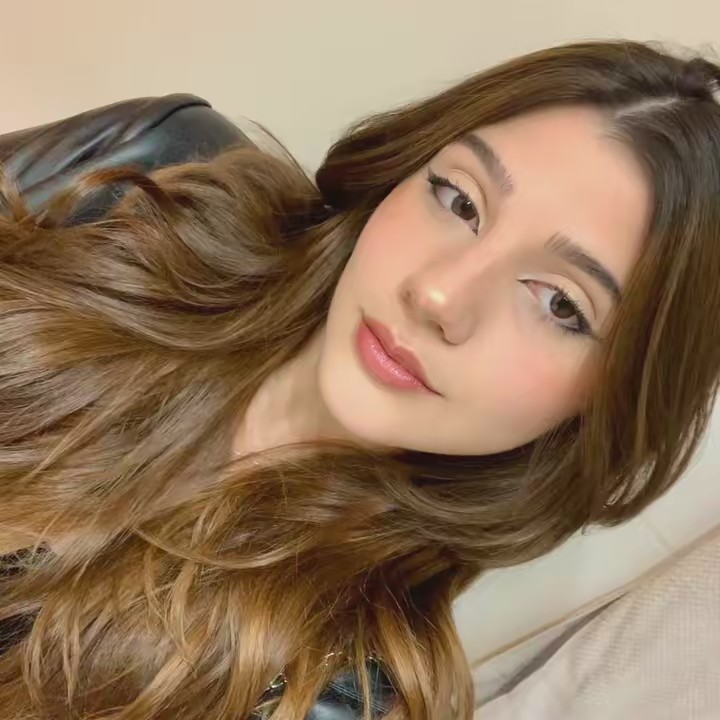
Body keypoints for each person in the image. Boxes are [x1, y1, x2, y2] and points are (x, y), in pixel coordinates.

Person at [0, 39, 719, 720]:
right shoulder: (158, 175)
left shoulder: (329, 695)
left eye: (560, 303)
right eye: (460, 201)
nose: (439, 294)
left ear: (611, 397)